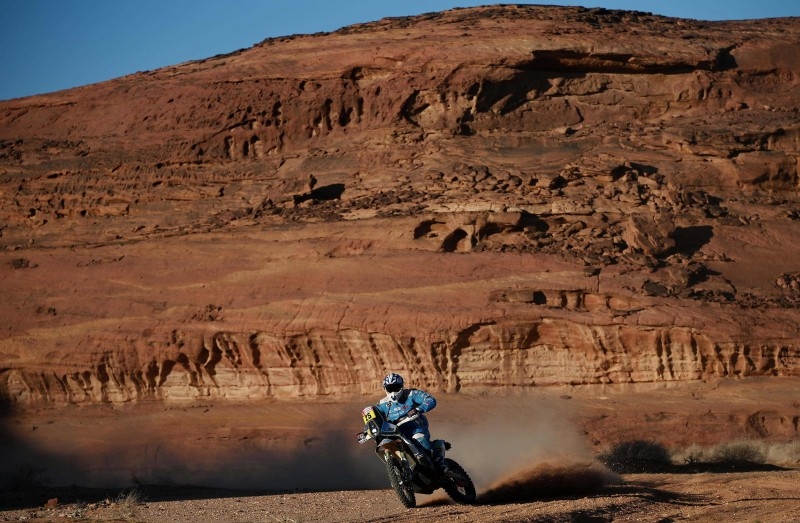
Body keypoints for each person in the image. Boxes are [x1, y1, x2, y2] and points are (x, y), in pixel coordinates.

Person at [374, 372, 450, 473]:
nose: (393, 392)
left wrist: (419, 409)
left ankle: (442, 466)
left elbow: (430, 399)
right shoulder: (382, 404)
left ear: (401, 386)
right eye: (390, 388)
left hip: (415, 427)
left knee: (419, 439)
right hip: (396, 432)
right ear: (385, 389)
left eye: (396, 388)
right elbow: (374, 416)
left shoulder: (411, 394)